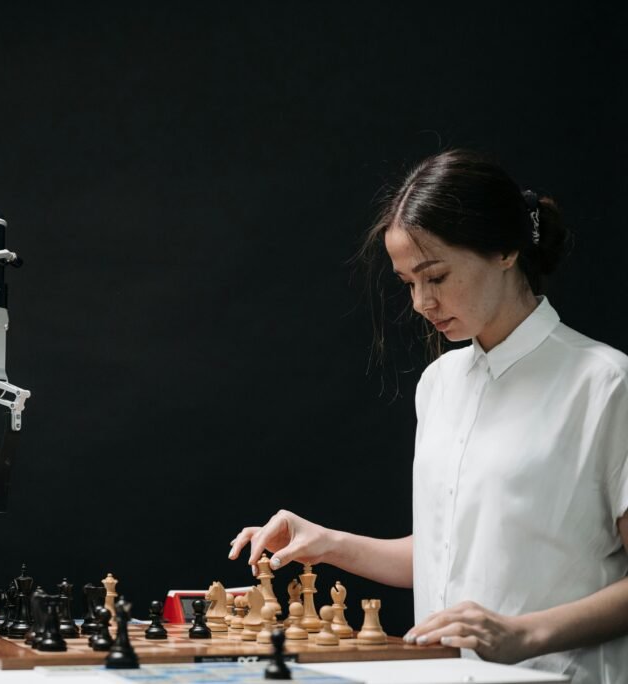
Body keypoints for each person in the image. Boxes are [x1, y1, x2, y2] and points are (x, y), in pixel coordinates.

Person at [228, 150, 628, 683]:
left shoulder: (605, 383)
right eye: (408, 282)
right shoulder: (440, 385)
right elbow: (448, 549)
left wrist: (526, 633)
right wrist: (325, 542)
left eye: (435, 275)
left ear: (506, 249)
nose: (421, 301)